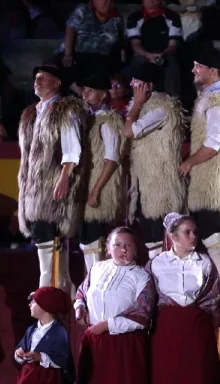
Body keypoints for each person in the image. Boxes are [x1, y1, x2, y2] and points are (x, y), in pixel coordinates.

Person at [146, 213, 220, 384]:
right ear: (172, 237)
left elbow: (214, 297)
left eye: (195, 232)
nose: (193, 236)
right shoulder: (156, 263)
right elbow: (147, 297)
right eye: (187, 232)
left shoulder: (204, 262)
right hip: (166, 333)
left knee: (199, 380)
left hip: (197, 331)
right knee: (167, 382)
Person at [75, 227, 156, 384]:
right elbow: (82, 293)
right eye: (118, 245)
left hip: (124, 345)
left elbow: (142, 315)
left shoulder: (142, 276)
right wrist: (80, 309)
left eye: (128, 245)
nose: (123, 249)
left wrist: (107, 325)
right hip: (96, 344)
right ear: (108, 248)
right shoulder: (97, 269)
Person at [17, 64, 86, 293]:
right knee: (41, 234)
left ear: (57, 83)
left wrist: (64, 177)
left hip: (52, 184)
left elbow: (71, 148)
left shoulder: (65, 110)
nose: (37, 82)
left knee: (48, 234)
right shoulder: (30, 113)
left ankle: (47, 290)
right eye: (35, 78)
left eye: (43, 78)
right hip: (32, 188)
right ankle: (58, 290)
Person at [180, 48, 220, 274]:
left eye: (198, 66)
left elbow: (213, 143)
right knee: (206, 229)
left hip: (213, 179)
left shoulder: (217, 102)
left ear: (213, 70)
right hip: (212, 177)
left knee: (210, 230)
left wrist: (189, 162)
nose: (193, 70)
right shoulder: (212, 98)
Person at [122, 62, 185, 260]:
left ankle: (166, 284)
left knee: (160, 235)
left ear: (147, 86)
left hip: (160, 184)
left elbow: (129, 131)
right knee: (150, 236)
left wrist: (138, 104)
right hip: (145, 183)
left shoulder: (161, 107)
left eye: (136, 81)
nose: (132, 84)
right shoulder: (141, 107)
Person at [79, 74, 124, 272]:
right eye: (84, 90)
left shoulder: (109, 120)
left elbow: (112, 157)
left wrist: (96, 190)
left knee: (96, 237)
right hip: (87, 184)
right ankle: (90, 283)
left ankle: (99, 282)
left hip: (100, 186)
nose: (84, 94)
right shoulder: (89, 119)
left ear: (103, 95)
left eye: (90, 91)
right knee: (87, 238)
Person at [58, 0, 124, 92]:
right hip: (76, 53)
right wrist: (68, 53)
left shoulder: (117, 18)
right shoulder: (83, 9)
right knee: (64, 65)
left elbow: (119, 43)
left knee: (107, 69)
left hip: (100, 57)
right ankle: (79, 91)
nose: (108, 3)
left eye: (111, 0)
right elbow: (70, 28)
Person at [126, 0, 183, 97]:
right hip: (143, 54)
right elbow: (135, 44)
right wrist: (148, 55)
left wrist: (163, 55)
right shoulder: (134, 18)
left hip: (165, 54)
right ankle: (137, 100)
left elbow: (173, 45)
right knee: (137, 63)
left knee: (172, 65)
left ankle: (172, 102)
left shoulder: (172, 17)